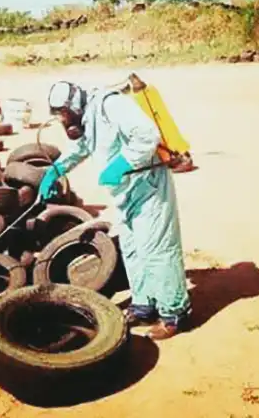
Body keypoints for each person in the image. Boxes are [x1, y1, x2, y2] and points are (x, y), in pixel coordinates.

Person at [38, 80, 192, 340]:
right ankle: (144, 305)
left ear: (74, 105)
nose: (64, 120)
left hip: (148, 187)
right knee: (132, 249)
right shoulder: (87, 117)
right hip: (125, 192)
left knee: (158, 250)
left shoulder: (111, 105)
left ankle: (174, 314)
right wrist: (55, 171)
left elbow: (147, 135)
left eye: (64, 113)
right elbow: (82, 146)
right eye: (60, 116)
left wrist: (120, 164)